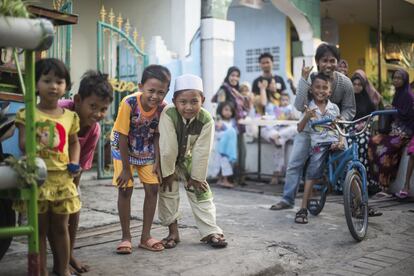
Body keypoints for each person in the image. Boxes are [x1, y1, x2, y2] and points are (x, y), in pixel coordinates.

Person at [15, 58, 81, 276]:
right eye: (47, 80)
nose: (53, 86)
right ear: (35, 84)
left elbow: (74, 142)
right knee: (40, 231)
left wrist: (74, 161)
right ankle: (40, 272)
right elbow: (23, 144)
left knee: (61, 229)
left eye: (59, 81)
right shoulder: (28, 114)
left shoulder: (70, 116)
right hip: (38, 180)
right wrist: (36, 135)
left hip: (62, 180)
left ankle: (62, 270)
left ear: (66, 86)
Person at [270, 43, 355, 210]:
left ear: (337, 62)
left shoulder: (345, 83)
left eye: (332, 60)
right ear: (317, 61)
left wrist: (340, 119)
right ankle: (287, 199)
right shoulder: (310, 78)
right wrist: (303, 79)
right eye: (324, 60)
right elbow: (299, 106)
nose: (329, 64)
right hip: (308, 129)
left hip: (333, 129)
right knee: (295, 163)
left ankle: (357, 202)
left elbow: (350, 108)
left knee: (347, 162)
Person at [158, 74, 228, 249]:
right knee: (168, 190)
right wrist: (168, 173)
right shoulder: (168, 113)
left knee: (201, 191)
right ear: (174, 100)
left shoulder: (206, 120)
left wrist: (197, 177)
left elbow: (202, 150)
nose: (188, 107)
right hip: (168, 160)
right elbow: (168, 147)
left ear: (202, 100)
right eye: (183, 102)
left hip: (190, 158)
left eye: (194, 101)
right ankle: (173, 232)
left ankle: (211, 231)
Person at [55, 70, 113, 274]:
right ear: (78, 100)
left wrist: (72, 192)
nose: (98, 114)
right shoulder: (60, 111)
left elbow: (79, 166)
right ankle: (59, 261)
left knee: (74, 206)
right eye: (93, 106)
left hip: (68, 175)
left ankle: (68, 254)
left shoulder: (94, 130)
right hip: (47, 170)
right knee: (53, 218)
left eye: (103, 109)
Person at [111, 64, 171, 254]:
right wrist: (126, 169)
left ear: (167, 92)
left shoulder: (163, 109)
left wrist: (157, 161)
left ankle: (145, 236)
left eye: (161, 92)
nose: (155, 96)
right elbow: (121, 134)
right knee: (125, 189)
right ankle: (125, 237)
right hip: (123, 146)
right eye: (151, 91)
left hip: (146, 147)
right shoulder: (128, 103)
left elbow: (157, 135)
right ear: (140, 86)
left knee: (153, 188)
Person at [295, 73, 344, 224]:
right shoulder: (309, 107)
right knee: (313, 170)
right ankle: (303, 208)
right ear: (311, 89)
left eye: (325, 88)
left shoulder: (334, 108)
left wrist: (341, 141)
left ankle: (359, 205)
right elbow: (299, 128)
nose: (321, 90)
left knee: (349, 166)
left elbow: (340, 127)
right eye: (317, 87)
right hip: (319, 145)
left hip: (335, 142)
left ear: (330, 91)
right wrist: (306, 117)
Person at [368, 69, 414, 195]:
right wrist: (392, 109)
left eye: (399, 78)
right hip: (394, 131)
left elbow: (408, 115)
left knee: (385, 150)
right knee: (373, 141)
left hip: (405, 133)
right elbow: (397, 113)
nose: (396, 80)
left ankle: (385, 185)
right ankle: (375, 181)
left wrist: (394, 110)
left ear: (405, 80)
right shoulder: (398, 94)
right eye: (394, 77)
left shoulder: (408, 96)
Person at [346, 70, 381, 195]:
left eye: (359, 84)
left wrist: (364, 125)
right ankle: (348, 182)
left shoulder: (367, 100)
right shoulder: (347, 98)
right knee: (348, 144)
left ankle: (363, 180)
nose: (356, 87)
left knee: (363, 142)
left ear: (363, 86)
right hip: (348, 129)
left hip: (364, 129)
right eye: (354, 84)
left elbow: (372, 117)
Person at [212, 66, 249, 183]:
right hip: (227, 127)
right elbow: (220, 107)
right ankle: (225, 177)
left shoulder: (237, 90)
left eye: (237, 76)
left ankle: (239, 176)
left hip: (238, 125)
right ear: (228, 76)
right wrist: (218, 123)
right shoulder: (224, 89)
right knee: (227, 152)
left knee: (242, 151)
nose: (235, 78)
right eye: (232, 75)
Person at [261, 93, 299, 185]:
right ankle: (276, 173)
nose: (285, 102)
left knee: (294, 128)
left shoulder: (291, 108)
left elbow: (295, 120)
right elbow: (275, 121)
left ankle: (276, 174)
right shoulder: (277, 109)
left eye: (286, 100)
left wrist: (291, 117)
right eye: (283, 100)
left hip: (286, 131)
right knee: (279, 143)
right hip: (279, 132)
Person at [211, 102, 238, 188]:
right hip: (220, 147)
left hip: (228, 147)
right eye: (226, 110)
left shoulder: (232, 122)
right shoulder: (219, 122)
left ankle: (223, 180)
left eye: (230, 110)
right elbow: (216, 134)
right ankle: (223, 180)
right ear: (221, 110)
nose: (228, 112)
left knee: (226, 163)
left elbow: (234, 133)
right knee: (221, 163)